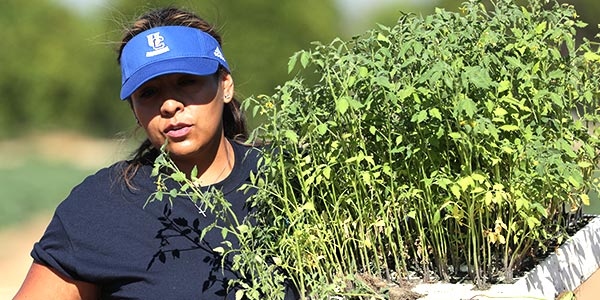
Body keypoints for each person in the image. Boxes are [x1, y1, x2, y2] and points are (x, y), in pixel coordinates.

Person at [14, 7, 295, 300]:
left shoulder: (293, 179)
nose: (170, 105)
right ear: (135, 111)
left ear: (225, 84)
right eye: (149, 92)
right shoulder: (101, 207)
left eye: (187, 81)